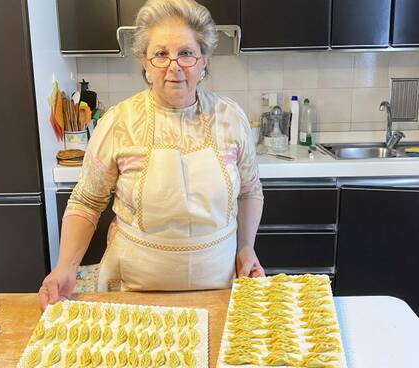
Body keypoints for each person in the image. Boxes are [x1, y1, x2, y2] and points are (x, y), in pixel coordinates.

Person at [39, 0, 264, 308]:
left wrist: (246, 248)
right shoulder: (118, 122)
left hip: (218, 289)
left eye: (186, 53)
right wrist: (65, 265)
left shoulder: (231, 119)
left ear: (203, 60)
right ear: (144, 61)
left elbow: (250, 192)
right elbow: (86, 202)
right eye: (160, 54)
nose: (174, 66)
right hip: (133, 292)